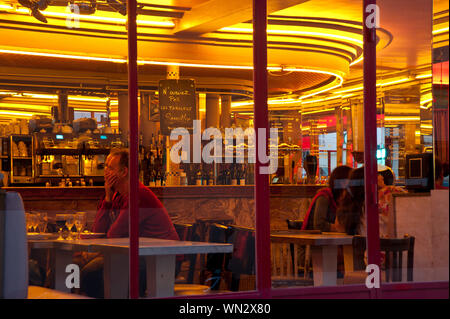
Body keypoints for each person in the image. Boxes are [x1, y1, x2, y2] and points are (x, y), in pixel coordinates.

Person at [77, 148, 179, 298]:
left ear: (124, 172)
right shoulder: (117, 195)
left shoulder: (139, 195)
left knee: (91, 273)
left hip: (159, 261)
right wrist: (107, 198)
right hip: (136, 256)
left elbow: (114, 235)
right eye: (105, 166)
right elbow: (97, 233)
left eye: (110, 168)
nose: (105, 171)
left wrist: (94, 253)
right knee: (75, 266)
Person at [301, 165, 353, 232]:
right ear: (341, 182)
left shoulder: (343, 198)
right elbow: (319, 225)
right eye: (350, 180)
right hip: (315, 239)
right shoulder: (324, 197)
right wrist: (339, 229)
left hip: (332, 239)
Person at [335, 166, 366, 236]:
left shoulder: (348, 204)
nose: (381, 177)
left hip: (351, 245)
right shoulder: (372, 205)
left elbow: (338, 227)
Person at [377, 165, 406, 237]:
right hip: (395, 234)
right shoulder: (395, 190)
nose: (381, 176)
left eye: (380, 175)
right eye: (379, 175)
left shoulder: (392, 191)